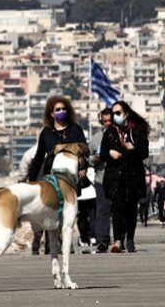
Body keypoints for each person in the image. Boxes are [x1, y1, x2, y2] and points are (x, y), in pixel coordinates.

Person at [22, 95, 86, 254]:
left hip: (70, 178)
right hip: (51, 176)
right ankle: (50, 242)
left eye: (64, 109)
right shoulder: (46, 133)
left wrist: (84, 168)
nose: (61, 112)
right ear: (51, 113)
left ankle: (66, 242)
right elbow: (38, 157)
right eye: (58, 110)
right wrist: (31, 179)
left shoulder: (75, 129)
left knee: (68, 210)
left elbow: (83, 150)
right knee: (52, 209)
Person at [101, 100, 150, 253]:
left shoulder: (137, 129)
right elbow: (102, 154)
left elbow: (144, 152)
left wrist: (133, 148)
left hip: (133, 175)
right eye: (113, 113)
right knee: (117, 207)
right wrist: (110, 153)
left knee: (130, 209)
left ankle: (130, 239)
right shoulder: (110, 132)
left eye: (118, 113)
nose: (115, 116)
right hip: (115, 177)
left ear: (126, 113)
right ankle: (117, 241)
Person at [90, 108, 113, 253]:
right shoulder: (96, 138)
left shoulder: (122, 136)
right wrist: (95, 158)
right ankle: (102, 240)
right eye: (105, 121)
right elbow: (89, 159)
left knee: (119, 212)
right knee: (102, 210)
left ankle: (120, 239)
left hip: (118, 180)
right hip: (101, 179)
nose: (108, 123)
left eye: (110, 121)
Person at [76, 166, 97, 253]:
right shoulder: (92, 168)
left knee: (82, 217)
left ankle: (83, 239)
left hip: (81, 196)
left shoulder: (77, 168)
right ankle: (93, 237)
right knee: (93, 216)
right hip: (92, 194)